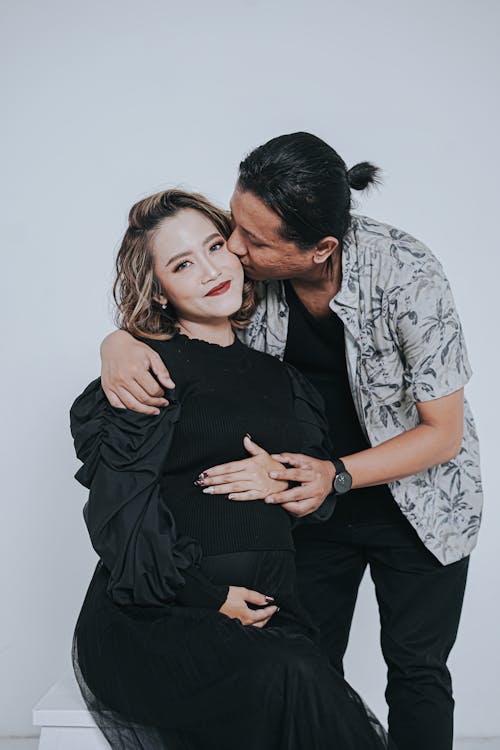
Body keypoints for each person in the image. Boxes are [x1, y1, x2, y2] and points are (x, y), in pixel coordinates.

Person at [100, 133, 482, 750]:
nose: (235, 251)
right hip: (308, 506)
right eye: (233, 228)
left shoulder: (407, 275)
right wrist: (119, 341)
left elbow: (443, 434)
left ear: (318, 250)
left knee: (418, 674)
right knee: (308, 671)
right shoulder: (248, 270)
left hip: (420, 504)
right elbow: (177, 291)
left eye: (252, 242)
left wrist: (333, 473)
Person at [70, 188, 394, 750]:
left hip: (269, 615)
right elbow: (121, 519)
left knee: (302, 678)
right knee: (295, 680)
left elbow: (318, 502)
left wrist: (286, 479)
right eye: (181, 264)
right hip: (162, 618)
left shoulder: (286, 380)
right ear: (161, 291)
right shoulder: (147, 370)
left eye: (215, 246)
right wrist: (208, 597)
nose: (210, 270)